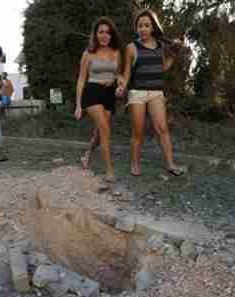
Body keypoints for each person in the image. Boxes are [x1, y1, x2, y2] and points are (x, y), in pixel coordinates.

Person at [117, 9, 185, 177]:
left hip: (156, 92)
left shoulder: (160, 46)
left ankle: (170, 164)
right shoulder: (131, 47)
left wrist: (174, 54)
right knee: (138, 130)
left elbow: (161, 68)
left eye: (147, 25)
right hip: (137, 93)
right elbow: (126, 74)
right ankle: (134, 164)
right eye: (140, 26)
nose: (143, 29)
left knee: (162, 128)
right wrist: (121, 86)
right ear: (137, 28)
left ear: (153, 27)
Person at [74, 16, 124, 182]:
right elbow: (81, 79)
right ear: (95, 34)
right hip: (92, 92)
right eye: (101, 32)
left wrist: (119, 85)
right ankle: (109, 170)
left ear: (111, 35)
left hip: (109, 95)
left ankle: (87, 155)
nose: (104, 35)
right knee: (104, 129)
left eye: (108, 32)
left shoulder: (116, 52)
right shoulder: (88, 53)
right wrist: (78, 105)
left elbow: (119, 75)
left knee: (98, 134)